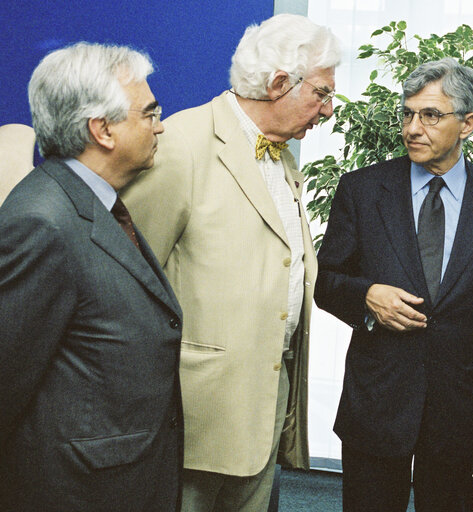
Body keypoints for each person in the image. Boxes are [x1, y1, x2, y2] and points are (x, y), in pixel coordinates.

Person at [120, 13, 341, 512]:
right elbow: (128, 283)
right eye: (322, 94)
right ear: (280, 83)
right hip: (193, 417)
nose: (328, 111)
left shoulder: (283, 156)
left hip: (264, 405)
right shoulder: (180, 144)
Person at [314, 58, 473, 512]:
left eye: (430, 115)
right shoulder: (363, 190)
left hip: (461, 410)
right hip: (378, 402)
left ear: (468, 123)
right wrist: (367, 296)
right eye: (408, 114)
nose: (413, 127)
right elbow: (325, 281)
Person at [0, 42, 183, 512]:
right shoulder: (42, 222)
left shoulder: (93, 203)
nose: (159, 124)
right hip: (74, 492)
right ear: (102, 130)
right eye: (148, 113)